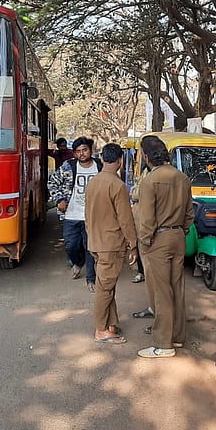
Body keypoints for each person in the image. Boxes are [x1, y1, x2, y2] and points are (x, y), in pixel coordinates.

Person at [134, 135, 194, 358]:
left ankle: (163, 344)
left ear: (146, 156)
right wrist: (181, 230)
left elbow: (147, 219)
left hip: (158, 239)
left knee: (161, 292)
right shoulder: (183, 178)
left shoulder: (150, 181)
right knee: (177, 288)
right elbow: (189, 214)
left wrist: (145, 241)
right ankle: (177, 336)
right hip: (178, 236)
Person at [84, 143, 139, 345]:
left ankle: (110, 324)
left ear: (101, 158)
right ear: (120, 160)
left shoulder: (93, 183)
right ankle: (101, 330)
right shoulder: (117, 185)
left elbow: (87, 215)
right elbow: (125, 219)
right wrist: (133, 244)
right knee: (105, 289)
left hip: (96, 242)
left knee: (107, 286)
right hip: (111, 245)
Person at [47, 136, 103, 291]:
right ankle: (78, 262)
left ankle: (91, 279)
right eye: (78, 151)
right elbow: (52, 182)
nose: (82, 154)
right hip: (71, 215)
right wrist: (59, 200)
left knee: (89, 247)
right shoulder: (68, 166)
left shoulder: (100, 166)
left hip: (92, 216)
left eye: (84, 150)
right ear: (74, 153)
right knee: (71, 246)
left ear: (91, 150)